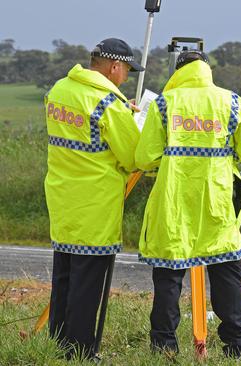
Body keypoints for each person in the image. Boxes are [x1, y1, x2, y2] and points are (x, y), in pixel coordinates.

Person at [135, 50, 241, 358]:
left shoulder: (165, 104)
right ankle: (238, 346)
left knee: (168, 277)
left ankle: (164, 347)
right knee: (227, 273)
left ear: (178, 72)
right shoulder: (231, 101)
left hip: (174, 202)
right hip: (216, 202)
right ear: (207, 70)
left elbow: (144, 157)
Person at [45, 37, 143, 359]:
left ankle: (57, 345)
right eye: (127, 70)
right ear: (115, 67)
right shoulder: (108, 103)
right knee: (89, 285)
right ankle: (82, 352)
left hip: (62, 197)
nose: (126, 77)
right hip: (95, 204)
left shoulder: (60, 90)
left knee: (64, 277)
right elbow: (132, 157)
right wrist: (130, 120)